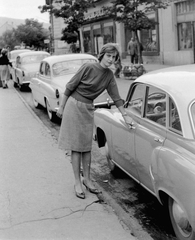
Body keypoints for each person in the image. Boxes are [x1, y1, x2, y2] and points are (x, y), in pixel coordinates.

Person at [57, 43, 133, 199]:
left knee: (86, 147)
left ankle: (88, 180)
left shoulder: (109, 76)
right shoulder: (88, 67)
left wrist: (126, 116)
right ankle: (77, 182)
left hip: (87, 108)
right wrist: (61, 107)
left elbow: (116, 98)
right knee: (76, 147)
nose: (111, 60)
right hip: (73, 106)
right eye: (108, 56)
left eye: (114, 57)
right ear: (102, 55)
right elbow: (70, 86)